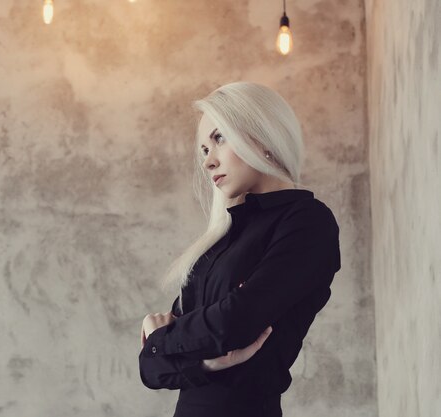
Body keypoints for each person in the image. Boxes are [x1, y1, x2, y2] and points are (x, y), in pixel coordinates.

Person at [138, 81, 341, 417]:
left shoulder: (308, 222)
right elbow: (152, 370)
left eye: (218, 138)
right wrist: (206, 361)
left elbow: (236, 322)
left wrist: (164, 336)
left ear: (262, 135)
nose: (208, 162)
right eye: (204, 150)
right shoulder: (220, 241)